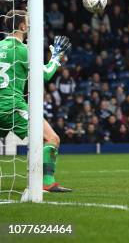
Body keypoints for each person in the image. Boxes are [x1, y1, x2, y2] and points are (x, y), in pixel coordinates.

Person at [0, 10, 72, 192]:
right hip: (11, 106)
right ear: (22, 26)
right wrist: (56, 57)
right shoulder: (23, 50)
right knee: (51, 138)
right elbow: (46, 75)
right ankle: (46, 182)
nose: (30, 25)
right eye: (28, 21)